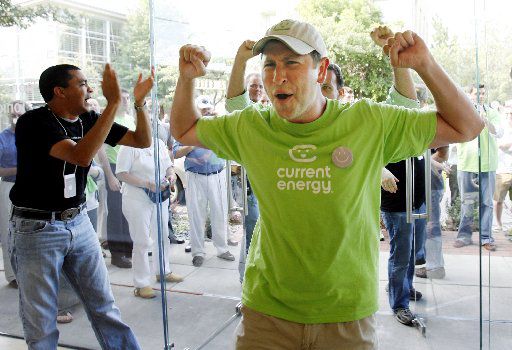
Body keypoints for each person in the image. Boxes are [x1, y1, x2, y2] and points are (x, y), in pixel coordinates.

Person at [170, 19, 482, 349]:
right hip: (267, 313)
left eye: (292, 62)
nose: (278, 76)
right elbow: (184, 129)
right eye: (270, 64)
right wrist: (187, 79)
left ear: (321, 72)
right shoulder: (251, 126)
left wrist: (425, 64)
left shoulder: (366, 122)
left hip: (345, 315)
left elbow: (467, 126)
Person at [8, 63, 152, 349]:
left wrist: (138, 104)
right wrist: (112, 104)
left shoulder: (89, 119)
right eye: (82, 83)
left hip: (79, 222)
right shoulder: (34, 122)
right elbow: (81, 156)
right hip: (37, 227)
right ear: (59, 91)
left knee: (105, 307)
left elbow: (142, 140)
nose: (90, 89)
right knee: (42, 321)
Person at [117, 138, 184, 299]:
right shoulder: (129, 144)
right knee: (142, 241)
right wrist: (146, 183)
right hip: (136, 199)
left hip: (160, 197)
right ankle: (141, 284)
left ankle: (163, 271)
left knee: (162, 236)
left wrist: (171, 175)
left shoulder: (159, 143)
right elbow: (121, 173)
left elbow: (168, 166)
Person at [173, 95, 235, 267]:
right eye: (203, 110)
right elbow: (175, 153)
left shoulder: (218, 126)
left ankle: (222, 249)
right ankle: (198, 252)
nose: (206, 112)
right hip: (195, 176)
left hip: (217, 174)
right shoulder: (187, 129)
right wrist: (193, 144)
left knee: (220, 212)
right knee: (195, 214)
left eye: (208, 109)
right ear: (196, 111)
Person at [454, 84, 501, 251]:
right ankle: (464, 236)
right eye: (476, 93)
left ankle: (486, 238)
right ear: (470, 95)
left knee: (487, 203)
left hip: (488, 165)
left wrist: (485, 120)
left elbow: (499, 133)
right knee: (467, 202)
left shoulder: (492, 112)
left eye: (482, 93)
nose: (480, 96)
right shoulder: (463, 111)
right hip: (467, 163)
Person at [100, 89, 135, 268]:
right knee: (116, 211)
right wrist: (110, 176)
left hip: (130, 170)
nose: (126, 101)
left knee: (128, 210)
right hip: (114, 169)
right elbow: (101, 150)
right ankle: (117, 254)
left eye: (128, 99)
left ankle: (128, 249)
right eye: (122, 99)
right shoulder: (109, 120)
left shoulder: (129, 119)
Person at [0, 100, 30, 288]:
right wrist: (20, 170)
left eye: (20, 114)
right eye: (13, 114)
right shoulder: (2, 138)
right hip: (9, 189)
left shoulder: (35, 135)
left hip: (33, 189)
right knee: (8, 232)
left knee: (30, 232)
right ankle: (13, 275)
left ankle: (29, 273)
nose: (16, 118)